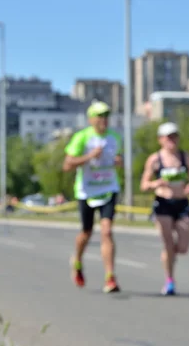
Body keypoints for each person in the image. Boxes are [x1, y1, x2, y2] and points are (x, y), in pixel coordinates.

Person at [63, 101, 123, 293]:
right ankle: (78, 261)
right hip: (87, 191)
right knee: (86, 232)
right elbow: (67, 165)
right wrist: (89, 157)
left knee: (106, 231)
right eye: (99, 116)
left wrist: (118, 162)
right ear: (91, 119)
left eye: (106, 115)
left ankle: (110, 277)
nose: (104, 119)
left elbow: (118, 159)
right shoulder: (82, 137)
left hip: (108, 188)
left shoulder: (114, 137)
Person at [140, 122, 189, 296]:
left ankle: (171, 256)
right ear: (160, 140)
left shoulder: (185, 157)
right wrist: (157, 183)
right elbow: (144, 184)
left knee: (184, 246)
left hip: (181, 203)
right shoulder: (155, 159)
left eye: (174, 136)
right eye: (168, 137)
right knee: (168, 243)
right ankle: (169, 280)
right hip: (163, 203)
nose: (172, 140)